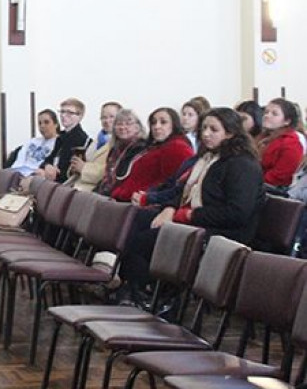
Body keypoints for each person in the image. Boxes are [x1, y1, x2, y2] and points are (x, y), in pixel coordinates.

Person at [118, 107, 265, 302]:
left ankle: (150, 295)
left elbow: (237, 213)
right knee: (135, 220)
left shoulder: (242, 165)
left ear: (230, 133)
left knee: (144, 241)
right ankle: (134, 288)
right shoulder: (208, 159)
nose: (205, 134)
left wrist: (189, 216)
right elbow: (183, 191)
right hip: (196, 221)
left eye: (213, 129)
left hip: (224, 232)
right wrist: (170, 208)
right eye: (203, 128)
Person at [112, 107, 194, 202]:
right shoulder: (156, 146)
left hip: (142, 203)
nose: (156, 126)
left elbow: (173, 185)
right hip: (127, 199)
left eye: (163, 122)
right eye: (153, 122)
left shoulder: (177, 147)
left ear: (174, 125)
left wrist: (147, 197)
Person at [66, 101, 120, 192]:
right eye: (103, 117)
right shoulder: (97, 140)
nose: (107, 121)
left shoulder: (120, 144)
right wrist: (74, 167)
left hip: (93, 191)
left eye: (111, 117)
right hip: (76, 186)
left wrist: (83, 168)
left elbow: (112, 172)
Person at [94, 108, 147, 196]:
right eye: (119, 124)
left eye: (128, 124)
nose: (123, 127)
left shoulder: (142, 148)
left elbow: (126, 178)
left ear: (137, 127)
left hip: (126, 195)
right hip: (108, 193)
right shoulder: (115, 149)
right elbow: (106, 176)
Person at [257, 97, 305, 193]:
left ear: (287, 121)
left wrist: (252, 182)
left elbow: (281, 176)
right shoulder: (264, 138)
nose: (267, 116)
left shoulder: (291, 143)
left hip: (275, 190)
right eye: (266, 112)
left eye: (274, 114)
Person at [36, 98, 89, 182]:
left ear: (80, 116)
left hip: (63, 184)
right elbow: (49, 159)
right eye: (62, 112)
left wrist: (53, 172)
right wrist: (47, 165)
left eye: (70, 113)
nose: (64, 115)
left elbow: (71, 172)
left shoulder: (82, 140)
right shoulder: (62, 136)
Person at [6, 109, 59, 177]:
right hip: (20, 174)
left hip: (38, 176)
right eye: (40, 123)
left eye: (46, 122)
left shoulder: (58, 143)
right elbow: (19, 161)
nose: (42, 126)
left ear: (56, 124)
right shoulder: (32, 141)